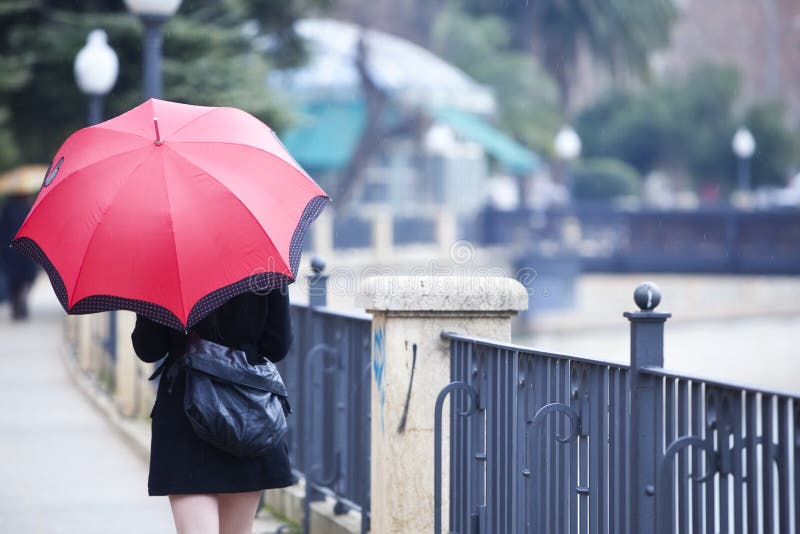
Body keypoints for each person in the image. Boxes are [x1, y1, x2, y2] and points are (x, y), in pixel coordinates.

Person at [132, 287, 294, 534]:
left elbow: (149, 349)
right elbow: (276, 345)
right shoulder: (263, 263)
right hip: (245, 413)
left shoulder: (162, 259)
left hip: (185, 414)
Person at [0, 193, 38, 320]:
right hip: (26, 251)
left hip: (10, 252)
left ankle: (16, 304)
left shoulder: (7, 209)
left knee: (13, 281)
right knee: (26, 280)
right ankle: (22, 300)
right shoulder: (30, 209)